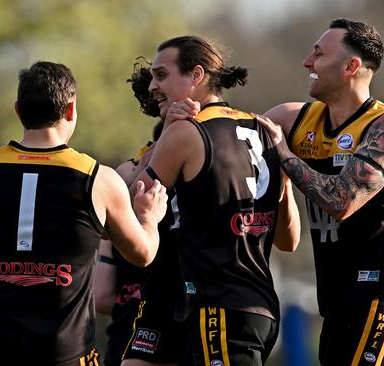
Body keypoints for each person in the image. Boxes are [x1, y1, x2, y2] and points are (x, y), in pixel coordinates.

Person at [0, 61, 167, 366]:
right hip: (65, 355)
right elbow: (143, 254)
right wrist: (149, 218)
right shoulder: (97, 179)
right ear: (70, 110)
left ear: (18, 110)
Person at [256, 18, 384, 366]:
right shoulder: (293, 119)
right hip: (334, 300)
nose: (307, 62)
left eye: (318, 54)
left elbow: (341, 201)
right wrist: (190, 113)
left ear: (351, 66)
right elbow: (228, 141)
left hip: (383, 296)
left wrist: (284, 156)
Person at [127, 35, 301, 366]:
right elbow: (288, 240)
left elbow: (127, 210)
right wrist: (284, 182)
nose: (151, 86)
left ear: (196, 75)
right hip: (260, 308)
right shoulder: (263, 130)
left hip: (217, 308)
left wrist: (166, 134)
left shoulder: (185, 132)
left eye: (161, 75)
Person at [94, 59, 179, 366]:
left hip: (131, 330)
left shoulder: (129, 174)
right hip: (190, 317)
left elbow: (101, 297)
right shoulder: (209, 162)